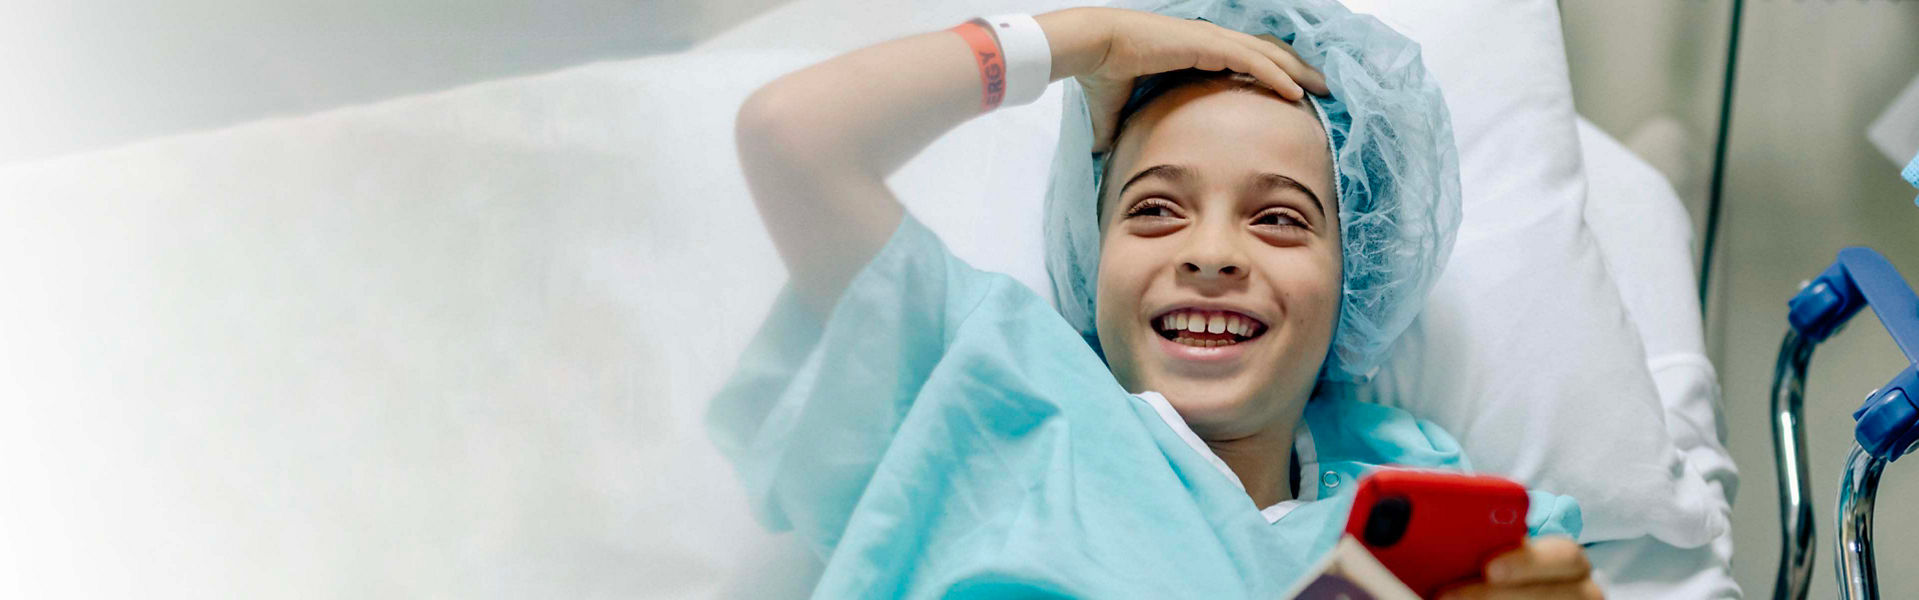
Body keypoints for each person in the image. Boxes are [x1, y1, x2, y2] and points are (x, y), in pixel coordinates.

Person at [712, 1, 1602, 597]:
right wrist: (1083, 44)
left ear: (1357, 272)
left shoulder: (1423, 499)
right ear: (1089, 251)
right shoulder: (989, 383)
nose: (1211, 253)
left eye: (1280, 219)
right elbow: (792, 136)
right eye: (1155, 209)